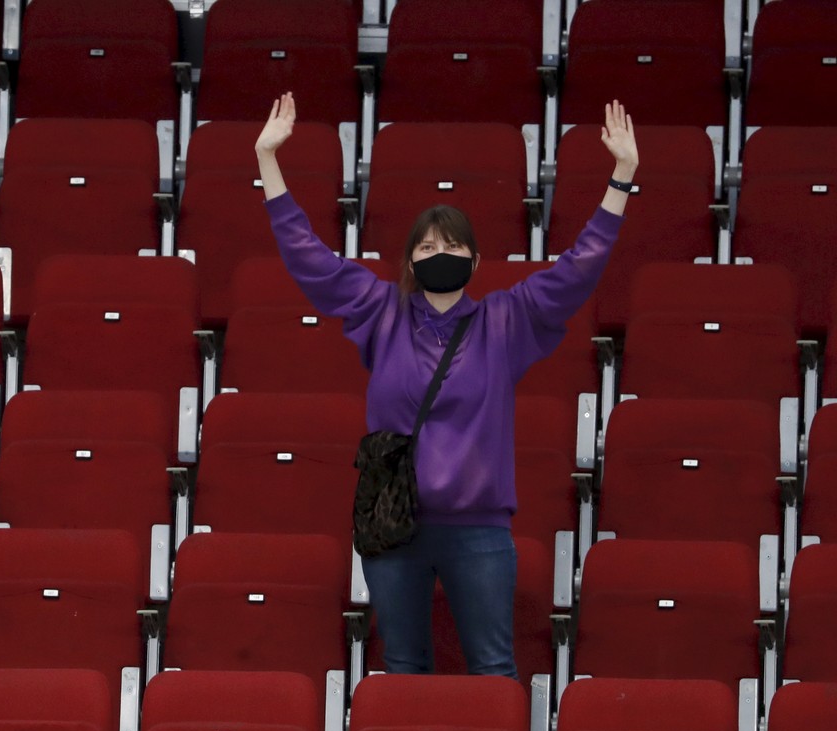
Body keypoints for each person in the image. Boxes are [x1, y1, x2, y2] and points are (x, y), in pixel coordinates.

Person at [257, 95, 639, 678]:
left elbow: (578, 268)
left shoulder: (505, 320)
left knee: (493, 666)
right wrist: (268, 160)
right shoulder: (380, 310)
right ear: (410, 260)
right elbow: (310, 259)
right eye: (428, 246)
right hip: (394, 524)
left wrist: (621, 178)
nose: (441, 254)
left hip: (479, 529)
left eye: (453, 245)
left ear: (476, 261)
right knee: (403, 664)